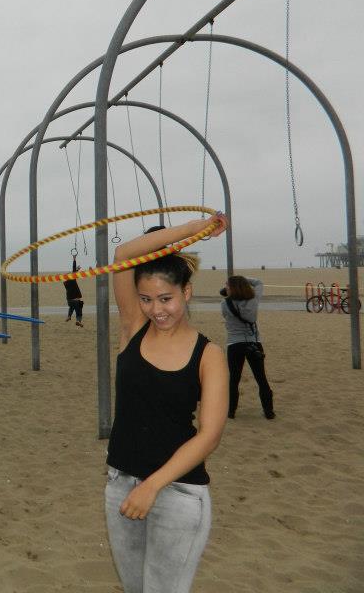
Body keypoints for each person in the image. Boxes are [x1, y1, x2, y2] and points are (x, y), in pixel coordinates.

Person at [104, 215, 229, 593]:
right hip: (121, 484)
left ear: (186, 293)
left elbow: (208, 437)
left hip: (178, 493)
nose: (156, 309)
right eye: (145, 299)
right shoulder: (133, 328)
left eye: (165, 298)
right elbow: (123, 253)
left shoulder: (209, 355)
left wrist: (153, 486)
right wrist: (196, 228)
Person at [221, 276, 275, 420]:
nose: (225, 287)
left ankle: (231, 411)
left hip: (234, 344)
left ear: (232, 288)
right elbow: (259, 282)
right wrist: (244, 279)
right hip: (253, 342)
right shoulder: (253, 300)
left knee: (234, 379)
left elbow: (226, 317)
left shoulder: (225, 303)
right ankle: (269, 411)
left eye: (228, 285)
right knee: (261, 378)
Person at [64, 256, 85, 327]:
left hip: (69, 300)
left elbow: (73, 272)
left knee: (71, 307)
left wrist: (76, 270)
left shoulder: (65, 282)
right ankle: (78, 321)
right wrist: (74, 259)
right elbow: (73, 272)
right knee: (79, 312)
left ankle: (69, 316)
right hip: (76, 300)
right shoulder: (72, 280)